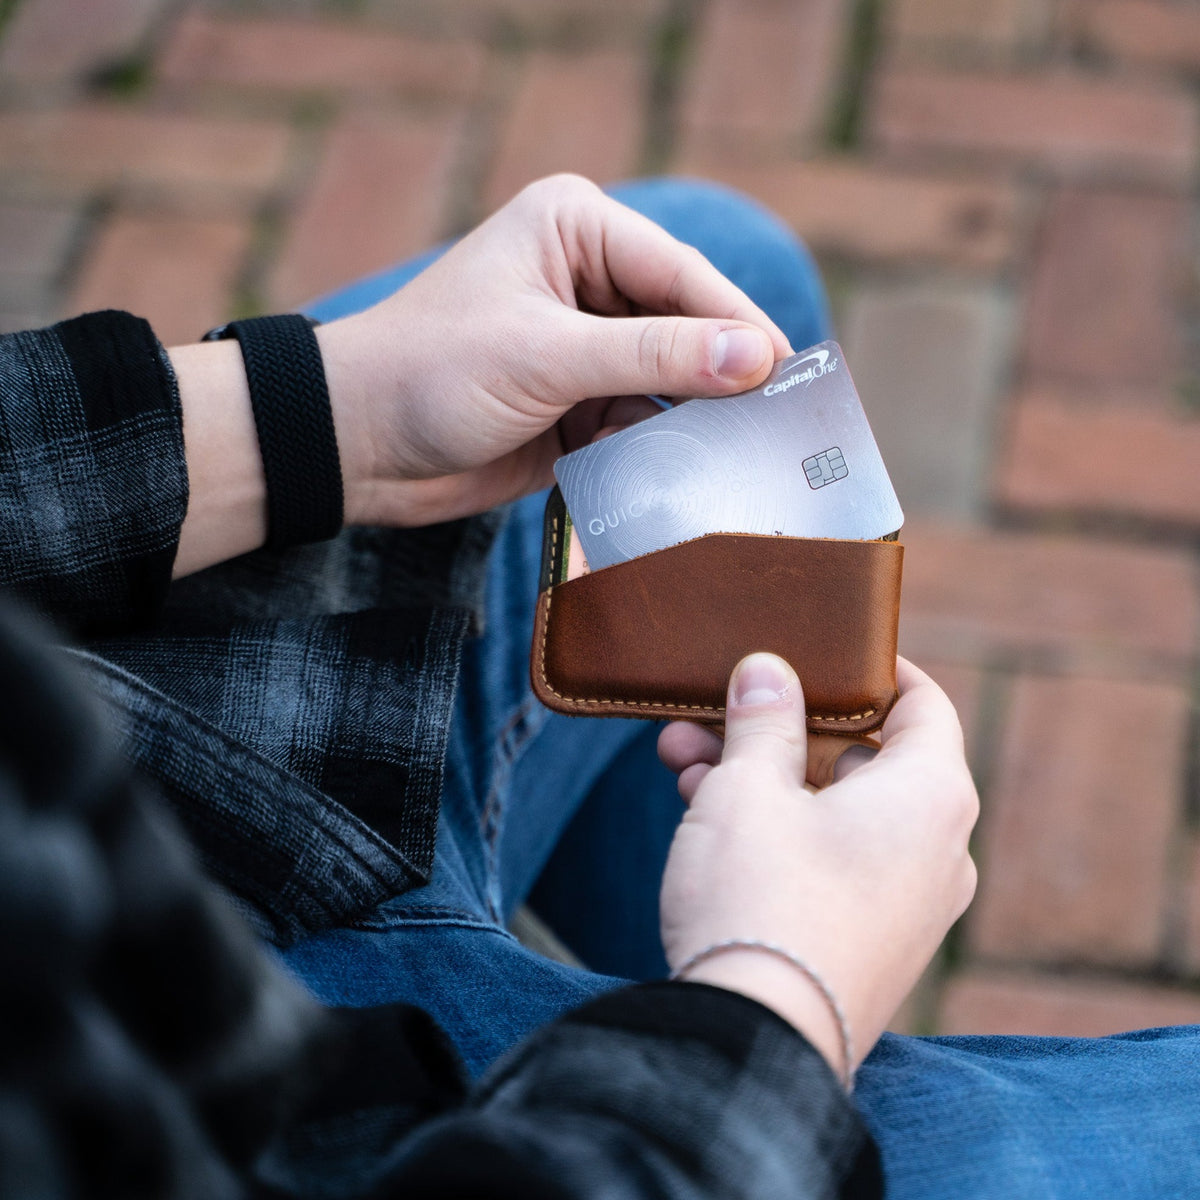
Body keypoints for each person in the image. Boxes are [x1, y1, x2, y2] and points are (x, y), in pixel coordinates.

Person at [0, 174, 1195, 1198]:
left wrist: (319, 411)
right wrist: (778, 1000)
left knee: (720, 266)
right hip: (305, 1124)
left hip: (164, 754)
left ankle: (738, 974)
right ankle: (784, 993)